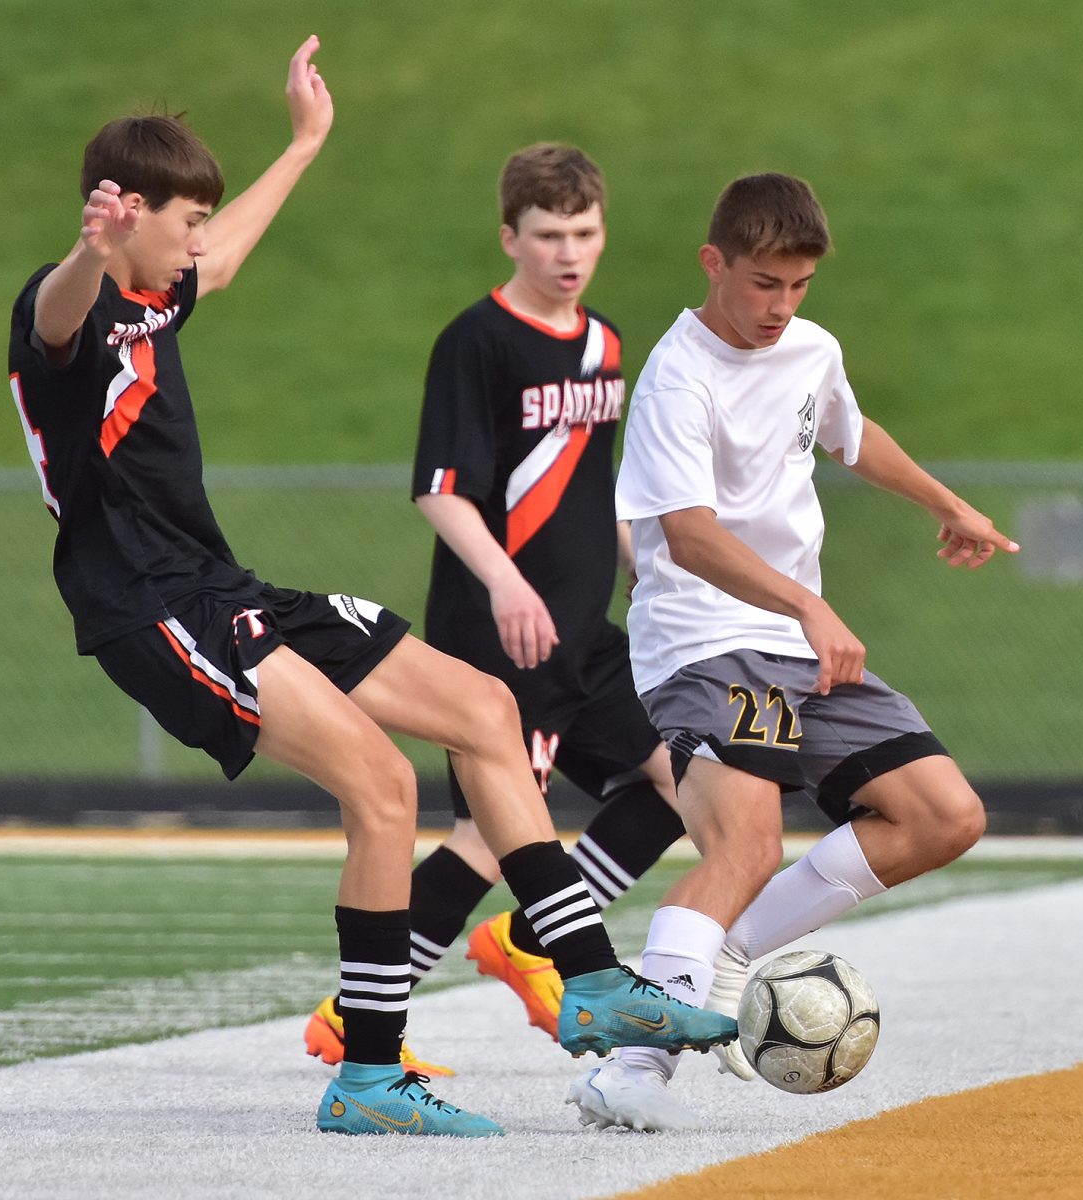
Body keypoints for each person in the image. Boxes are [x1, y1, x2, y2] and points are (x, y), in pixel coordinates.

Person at [7, 39, 737, 1139]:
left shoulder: (159, 294)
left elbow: (232, 257)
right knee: (384, 788)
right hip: (151, 609)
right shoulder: (75, 307)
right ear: (129, 217)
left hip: (220, 583)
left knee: (484, 713)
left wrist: (304, 144)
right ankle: (367, 1076)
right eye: (184, 220)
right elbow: (58, 316)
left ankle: (587, 978)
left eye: (202, 218)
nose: (200, 238)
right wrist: (84, 251)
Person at [567, 171, 1019, 1132]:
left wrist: (949, 505)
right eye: (765, 283)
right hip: (703, 641)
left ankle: (732, 958)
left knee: (943, 816)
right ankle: (631, 1066)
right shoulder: (676, 377)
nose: (782, 307)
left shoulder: (811, 349)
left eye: (799, 285)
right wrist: (809, 607)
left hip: (794, 639)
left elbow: (851, 437)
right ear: (714, 263)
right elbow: (685, 535)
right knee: (745, 843)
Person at [302, 143, 690, 1074]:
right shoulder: (477, 340)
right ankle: (351, 1026)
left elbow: (591, 484)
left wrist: (642, 562)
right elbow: (441, 490)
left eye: (585, 232)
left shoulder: (603, 343)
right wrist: (506, 583)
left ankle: (530, 935)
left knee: (676, 777)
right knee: (489, 833)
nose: (570, 252)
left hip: (585, 631)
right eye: (549, 234)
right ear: (510, 237)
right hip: (500, 635)